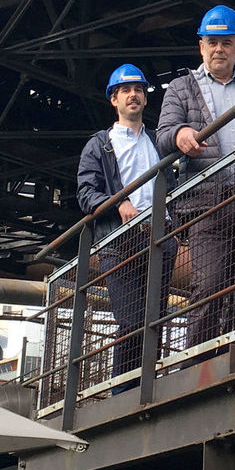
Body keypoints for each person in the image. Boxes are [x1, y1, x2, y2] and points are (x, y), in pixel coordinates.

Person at [156, 5, 235, 349]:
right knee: (209, 282)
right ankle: (200, 356)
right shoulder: (181, 88)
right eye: (212, 42)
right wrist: (181, 134)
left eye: (226, 42)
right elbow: (164, 133)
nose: (219, 49)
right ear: (201, 46)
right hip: (207, 200)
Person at [76, 65, 178, 387]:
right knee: (132, 319)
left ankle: (147, 387)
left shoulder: (157, 141)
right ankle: (123, 392)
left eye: (139, 89)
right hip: (118, 240)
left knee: (154, 321)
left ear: (145, 97)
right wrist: (120, 203)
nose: (133, 95)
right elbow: (85, 192)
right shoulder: (100, 144)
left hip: (160, 236)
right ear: (114, 100)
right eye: (126, 90)